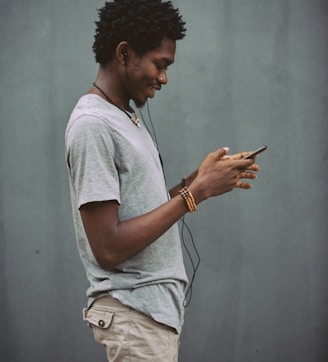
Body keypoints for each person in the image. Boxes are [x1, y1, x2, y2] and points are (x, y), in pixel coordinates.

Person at [65, 0, 260, 361]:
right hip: (134, 315)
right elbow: (107, 248)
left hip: (150, 317)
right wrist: (194, 192)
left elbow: (141, 214)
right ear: (124, 53)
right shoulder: (93, 125)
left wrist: (198, 180)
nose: (164, 78)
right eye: (160, 64)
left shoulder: (122, 118)